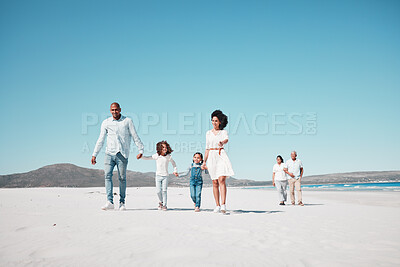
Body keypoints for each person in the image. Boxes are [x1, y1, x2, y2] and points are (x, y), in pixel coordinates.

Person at [91, 102, 144, 211]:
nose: (114, 112)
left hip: (122, 154)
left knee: (122, 178)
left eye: (116, 109)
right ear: (110, 110)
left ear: (120, 109)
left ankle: (122, 202)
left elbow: (134, 136)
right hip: (109, 154)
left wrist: (141, 149)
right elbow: (100, 139)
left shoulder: (127, 121)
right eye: (112, 110)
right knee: (107, 176)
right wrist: (94, 154)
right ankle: (110, 202)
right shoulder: (106, 123)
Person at [202, 110, 234, 214]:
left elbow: (226, 140)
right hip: (211, 156)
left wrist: (222, 142)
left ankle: (223, 204)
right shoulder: (208, 133)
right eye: (212, 120)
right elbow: (207, 148)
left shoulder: (223, 132)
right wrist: (204, 161)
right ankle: (217, 205)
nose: (214, 122)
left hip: (220, 155)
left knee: (221, 179)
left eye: (216, 121)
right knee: (214, 182)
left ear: (220, 122)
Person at [142, 141, 178, 211]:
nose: (165, 149)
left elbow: (174, 164)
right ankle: (160, 202)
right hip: (158, 176)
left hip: (165, 176)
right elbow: (148, 158)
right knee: (158, 191)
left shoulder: (168, 157)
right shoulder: (156, 156)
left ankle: (164, 205)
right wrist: (141, 157)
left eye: (166, 147)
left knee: (164, 190)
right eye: (163, 147)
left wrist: (175, 171)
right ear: (159, 148)